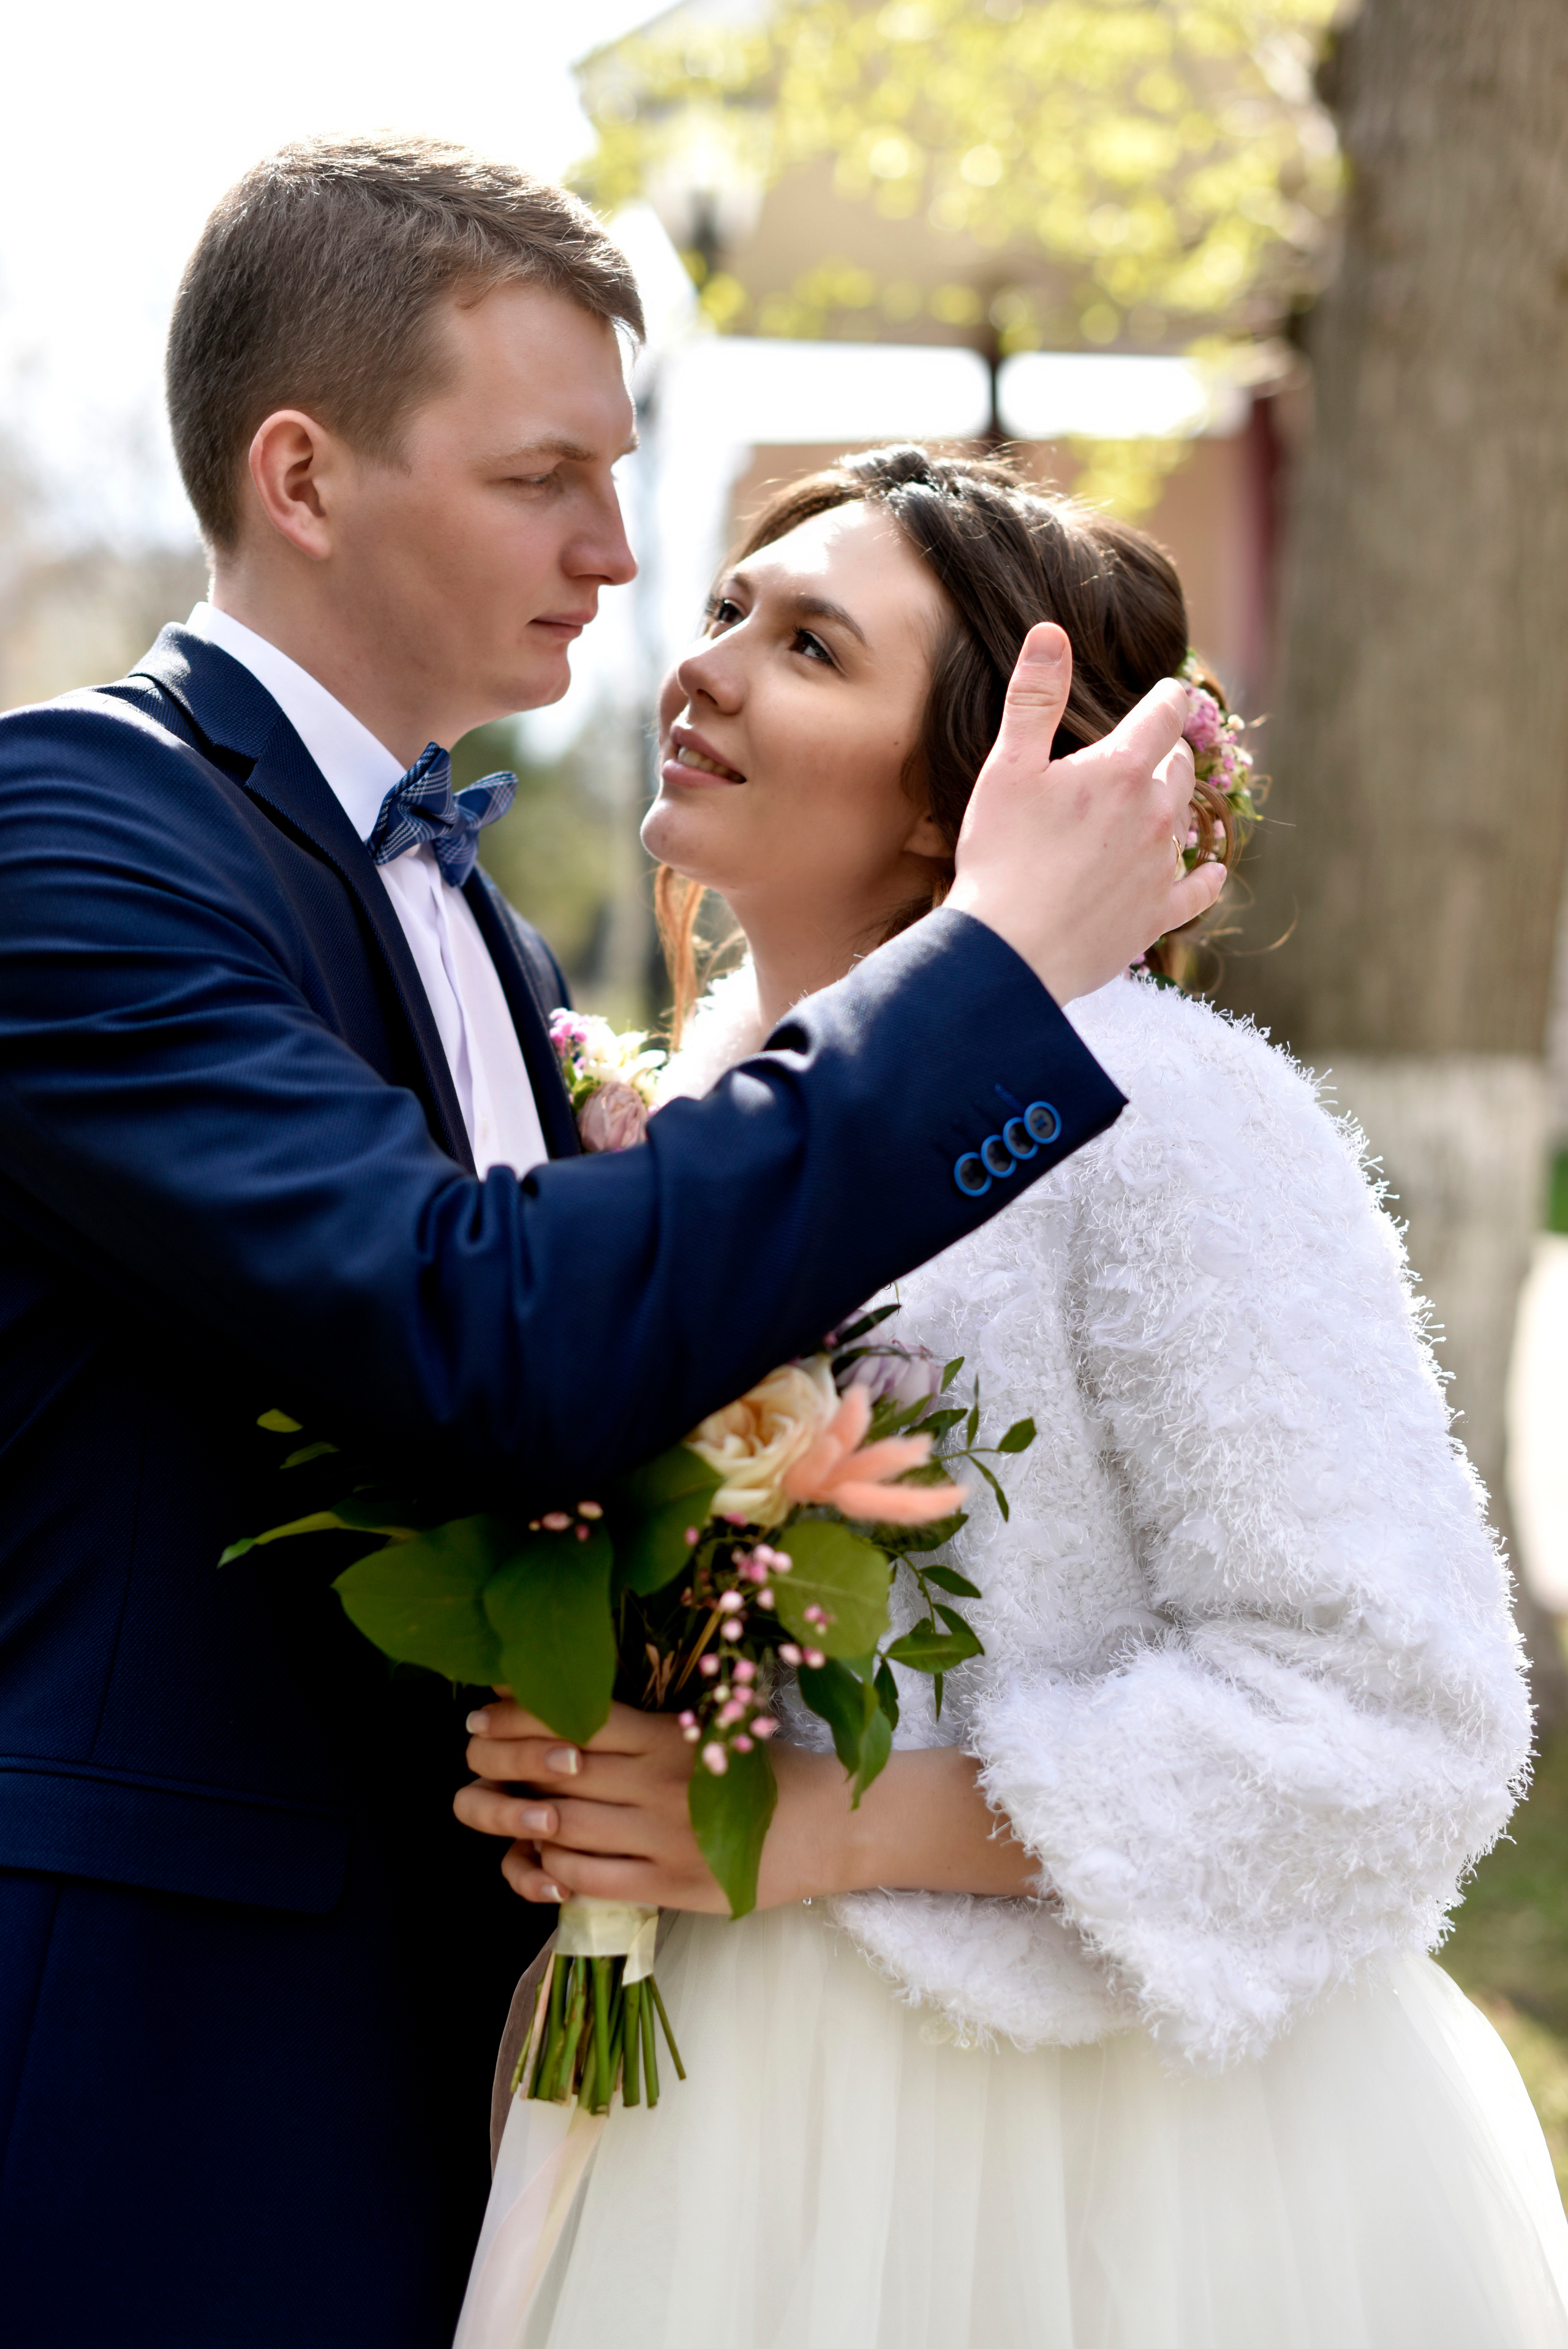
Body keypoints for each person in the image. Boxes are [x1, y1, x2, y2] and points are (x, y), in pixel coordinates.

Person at [0, 146, 1219, 2347]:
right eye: (546, 474)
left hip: (513, 2095)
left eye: (620, 472)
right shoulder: (72, 827)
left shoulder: (460, 900)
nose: (623, 553)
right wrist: (995, 979)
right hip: (167, 2085)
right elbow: (482, 1331)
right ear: (306, 473)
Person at [459, 448, 1568, 2348]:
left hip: (1101, 2168)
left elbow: (1403, 1716)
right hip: (706, 2121)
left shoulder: (1168, 1113)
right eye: (732, 607)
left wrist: (820, 1825)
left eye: (811, 645)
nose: (709, 663)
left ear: (965, 794)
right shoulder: (670, 1125)